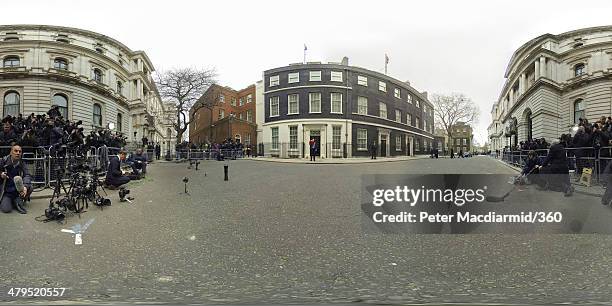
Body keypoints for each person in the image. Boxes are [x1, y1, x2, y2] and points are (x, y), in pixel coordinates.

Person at [0, 145, 32, 214]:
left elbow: (27, 175)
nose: (18, 153)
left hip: (18, 190)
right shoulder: (3, 161)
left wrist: (25, 187)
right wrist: (1, 174)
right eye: (16, 151)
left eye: (20, 152)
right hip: (7, 192)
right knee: (6, 209)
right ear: (11, 152)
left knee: (30, 187)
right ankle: (13, 201)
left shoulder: (22, 163)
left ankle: (18, 199)